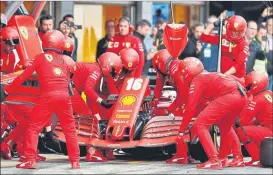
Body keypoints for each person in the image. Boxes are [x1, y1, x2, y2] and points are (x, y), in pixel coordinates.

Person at [4, 30, 81, 169]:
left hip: (47, 96)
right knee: (69, 129)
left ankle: (30, 160)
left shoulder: (39, 58)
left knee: (33, 127)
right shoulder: (65, 61)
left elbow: (23, 76)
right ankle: (75, 162)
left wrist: (6, 90)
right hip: (65, 97)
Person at [177, 57, 247, 169]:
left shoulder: (198, 80)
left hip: (229, 96)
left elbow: (190, 108)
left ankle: (214, 159)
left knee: (199, 125)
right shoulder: (209, 75)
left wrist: (181, 131)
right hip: (242, 96)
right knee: (225, 126)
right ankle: (235, 158)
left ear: (187, 72)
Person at [71, 52, 122, 162]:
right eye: (112, 72)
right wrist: (102, 102)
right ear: (108, 65)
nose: (112, 76)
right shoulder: (96, 70)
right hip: (69, 89)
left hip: (68, 88)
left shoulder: (93, 68)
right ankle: (92, 152)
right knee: (88, 120)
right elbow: (88, 90)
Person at [235, 71, 272, 167]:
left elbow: (243, 121)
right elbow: (264, 116)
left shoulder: (257, 100)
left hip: (270, 131)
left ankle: (256, 158)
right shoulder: (269, 93)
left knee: (241, 130)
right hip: (269, 128)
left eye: (249, 86)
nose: (248, 88)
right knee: (253, 128)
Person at [200, 15, 249, 83]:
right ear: (228, 28)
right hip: (223, 78)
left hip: (237, 79)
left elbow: (239, 64)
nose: (235, 34)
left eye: (238, 32)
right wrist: (214, 24)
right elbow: (203, 37)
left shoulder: (244, 44)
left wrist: (225, 75)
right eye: (233, 31)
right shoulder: (222, 39)